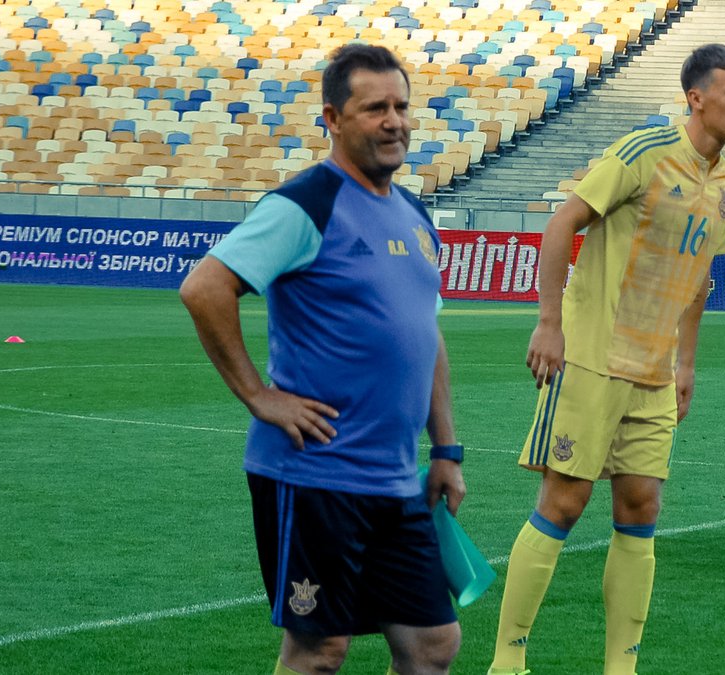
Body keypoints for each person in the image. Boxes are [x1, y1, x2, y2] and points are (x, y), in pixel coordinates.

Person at [179, 44, 467, 675]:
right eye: (375, 109)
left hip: (395, 480)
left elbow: (425, 336)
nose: (394, 122)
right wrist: (260, 396)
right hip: (315, 475)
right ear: (333, 119)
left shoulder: (415, 214)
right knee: (318, 652)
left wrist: (446, 450)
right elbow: (204, 288)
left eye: (401, 107)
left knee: (433, 645)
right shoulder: (306, 203)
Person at [487, 44, 725, 675]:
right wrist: (549, 323)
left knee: (641, 510)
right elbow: (562, 223)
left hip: (654, 372)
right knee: (564, 502)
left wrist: (686, 364)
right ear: (696, 98)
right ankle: (507, 662)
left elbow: (700, 278)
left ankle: (620, 668)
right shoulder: (644, 152)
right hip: (591, 358)